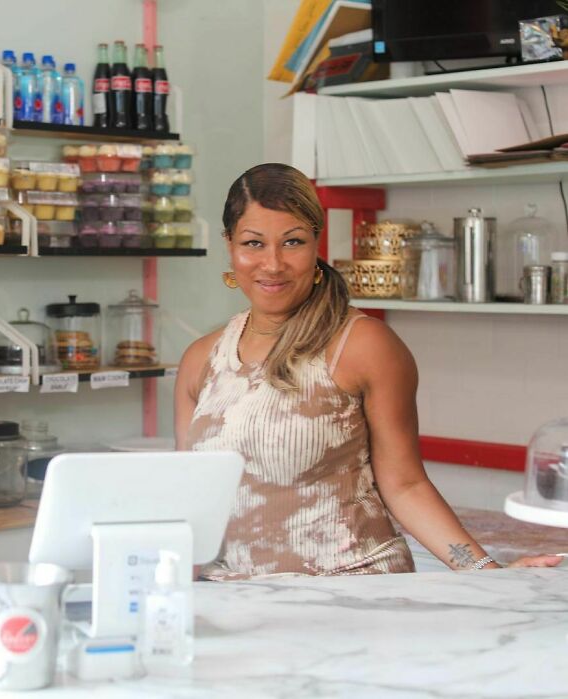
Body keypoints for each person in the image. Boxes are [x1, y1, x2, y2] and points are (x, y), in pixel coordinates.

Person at [175, 163, 561, 580]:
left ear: (316, 243)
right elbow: (191, 500)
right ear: (229, 245)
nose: (272, 264)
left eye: (292, 242)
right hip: (234, 602)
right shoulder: (202, 359)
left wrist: (488, 572)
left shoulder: (363, 346)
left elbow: (406, 485)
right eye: (254, 243)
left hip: (352, 597)